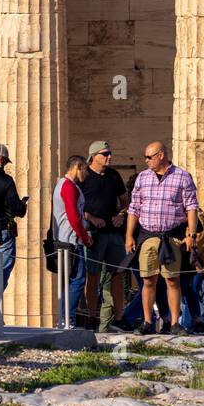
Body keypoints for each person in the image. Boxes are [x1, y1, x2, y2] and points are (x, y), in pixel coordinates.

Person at [125, 141, 199, 336]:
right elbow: (134, 208)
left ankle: (174, 322)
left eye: (149, 157)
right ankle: (148, 321)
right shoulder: (142, 177)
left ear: (161, 155)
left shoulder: (182, 176)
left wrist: (191, 234)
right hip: (148, 234)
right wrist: (129, 235)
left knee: (172, 279)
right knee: (148, 280)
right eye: (145, 157)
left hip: (171, 235)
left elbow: (191, 206)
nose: (146, 160)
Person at [80, 141, 128, 331]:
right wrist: (91, 217)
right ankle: (91, 316)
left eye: (110, 153)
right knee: (92, 275)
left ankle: (119, 316)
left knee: (117, 274)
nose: (109, 157)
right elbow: (77, 207)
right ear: (93, 156)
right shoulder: (84, 177)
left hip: (113, 232)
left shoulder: (114, 176)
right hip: (94, 233)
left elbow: (125, 201)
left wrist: (121, 215)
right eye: (105, 153)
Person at [0, 144, 27, 324]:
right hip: (3, 232)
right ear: (2, 160)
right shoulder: (6, 181)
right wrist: (23, 204)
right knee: (0, 274)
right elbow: (16, 209)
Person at [52, 155, 93, 326]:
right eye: (85, 169)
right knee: (78, 279)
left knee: (70, 281)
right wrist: (85, 238)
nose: (87, 174)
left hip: (68, 239)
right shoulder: (68, 186)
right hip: (71, 241)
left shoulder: (67, 185)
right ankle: (67, 318)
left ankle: (65, 318)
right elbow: (74, 217)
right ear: (77, 167)